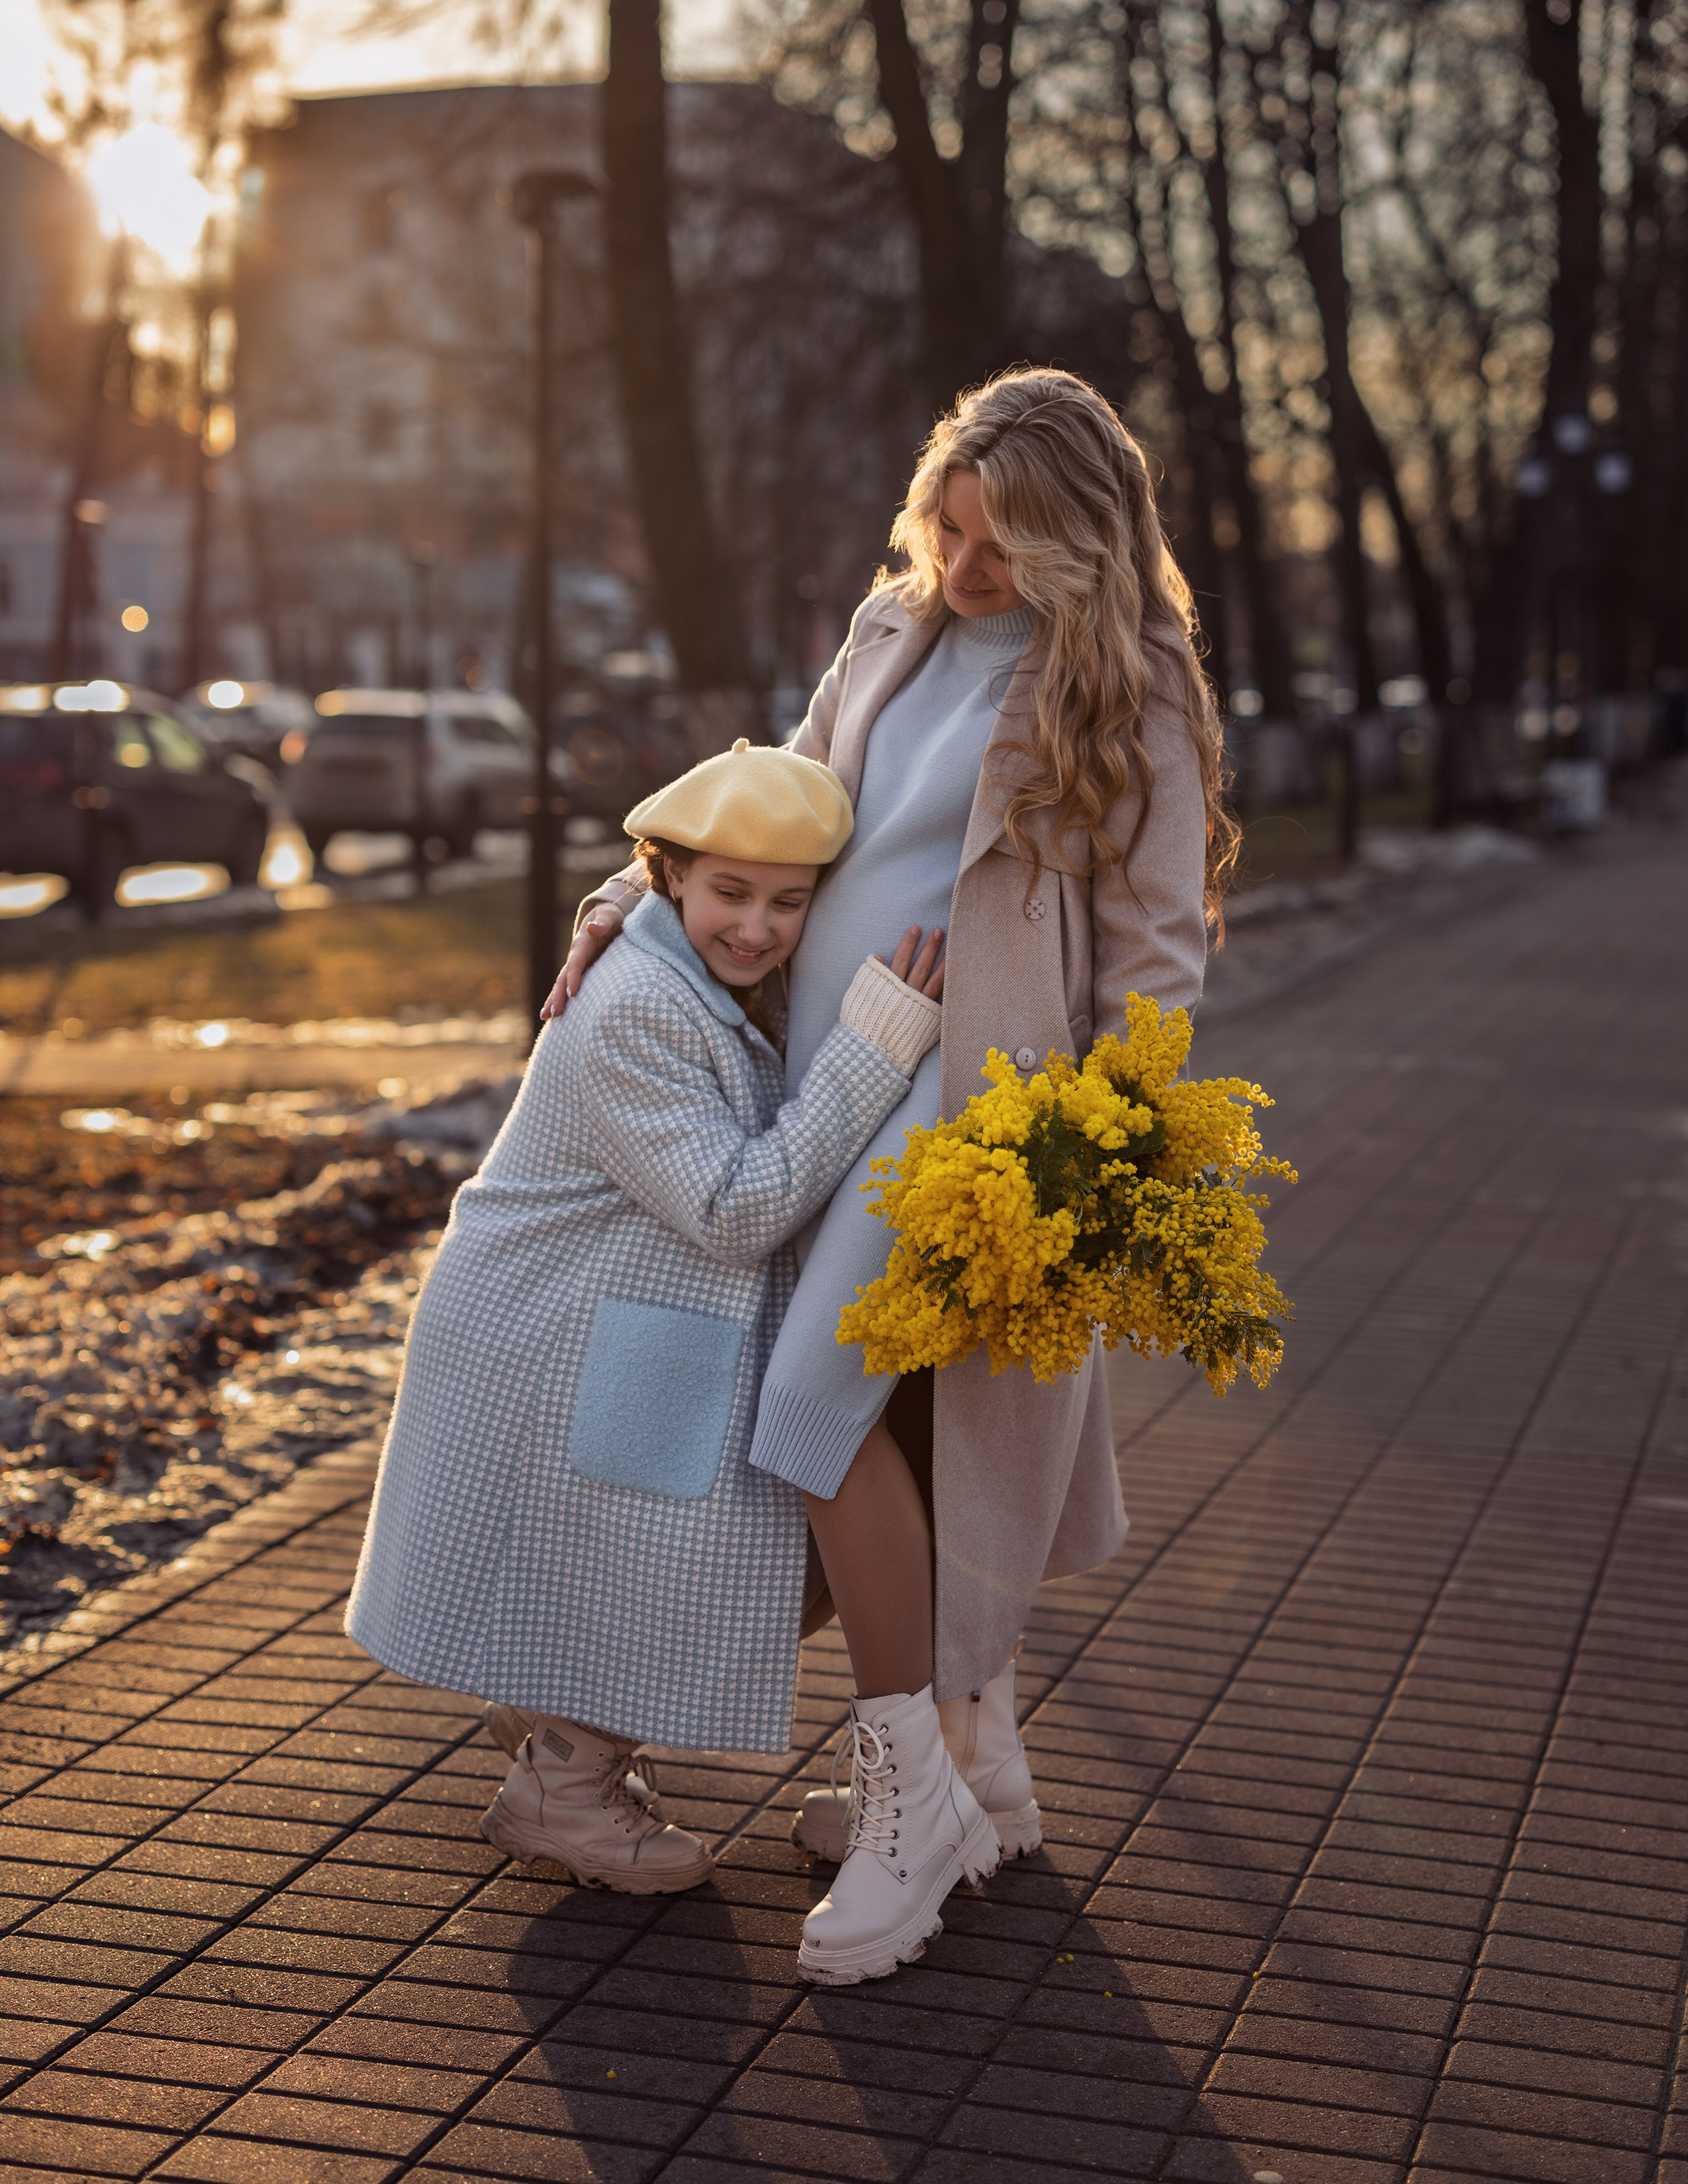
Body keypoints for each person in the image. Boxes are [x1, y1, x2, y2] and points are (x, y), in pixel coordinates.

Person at [551, 368, 1233, 1982]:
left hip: (977, 1111)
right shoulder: (887, 630)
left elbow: (1157, 957)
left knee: (811, 1409)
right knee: (897, 1429)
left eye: (1003, 546)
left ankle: (912, 1800)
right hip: (829, 1068)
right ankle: (972, 1758)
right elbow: (774, 810)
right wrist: (628, 903)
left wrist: (1095, 1156)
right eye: (952, 525)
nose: (967, 566)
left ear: (1079, 543)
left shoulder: (1128, 679)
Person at [346, 737, 961, 1899]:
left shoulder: (693, 968)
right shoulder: (635, 1004)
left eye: (791, 903)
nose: (757, 928)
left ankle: (552, 1725)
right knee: (668, 1563)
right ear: (671, 875)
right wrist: (879, 1040)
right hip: (548, 1335)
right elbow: (736, 1210)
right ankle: (559, 1787)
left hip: (623, 1325)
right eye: (730, 892)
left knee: (688, 1558)